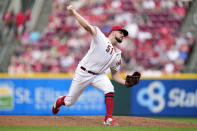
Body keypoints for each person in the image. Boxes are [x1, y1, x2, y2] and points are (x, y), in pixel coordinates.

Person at [52, 5, 141, 126]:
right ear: (113, 32)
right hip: (83, 72)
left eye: (124, 34)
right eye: (121, 33)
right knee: (69, 102)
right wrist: (73, 12)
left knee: (110, 89)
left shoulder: (118, 54)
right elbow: (87, 26)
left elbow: (115, 75)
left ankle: (108, 119)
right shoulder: (101, 38)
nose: (122, 35)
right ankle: (59, 101)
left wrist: (125, 82)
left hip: (99, 75)